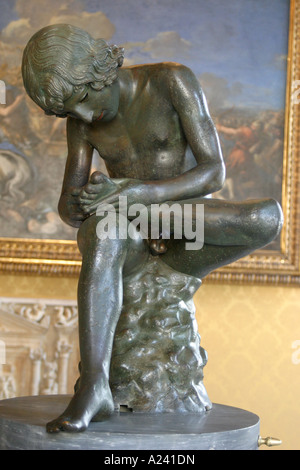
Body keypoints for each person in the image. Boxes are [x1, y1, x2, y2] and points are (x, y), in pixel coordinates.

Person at [22, 24, 283, 433]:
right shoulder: (82, 123)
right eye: (72, 112)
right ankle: (94, 386)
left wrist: (138, 195)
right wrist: (79, 202)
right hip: (128, 237)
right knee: (106, 229)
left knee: (266, 217)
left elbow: (213, 173)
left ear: (99, 69)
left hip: (182, 227)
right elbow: (69, 208)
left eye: (86, 100)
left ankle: (128, 210)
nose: (86, 116)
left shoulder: (170, 81)